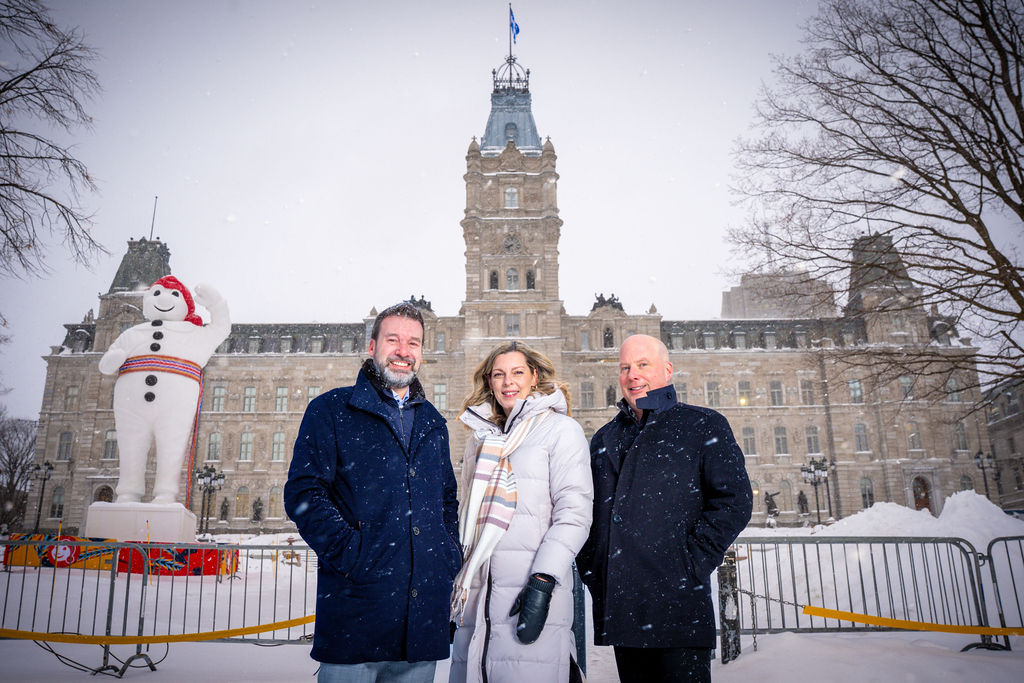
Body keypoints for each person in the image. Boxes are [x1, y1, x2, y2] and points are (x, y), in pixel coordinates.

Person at [284, 302, 461, 683]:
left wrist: (447, 554)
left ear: (422, 353)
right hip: (356, 617)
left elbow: (447, 499)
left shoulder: (434, 422)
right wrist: (352, 554)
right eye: (393, 339)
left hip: (421, 627)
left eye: (413, 342)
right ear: (372, 346)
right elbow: (304, 492)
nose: (403, 350)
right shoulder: (332, 410)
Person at [577, 334, 752, 683]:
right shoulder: (604, 438)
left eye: (643, 365)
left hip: (679, 607)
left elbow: (734, 500)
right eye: (625, 367)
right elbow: (588, 511)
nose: (633, 375)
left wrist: (691, 564)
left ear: (667, 371)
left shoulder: (702, 425)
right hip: (624, 608)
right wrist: (594, 569)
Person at [450, 341, 593, 683]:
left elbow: (574, 513)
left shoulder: (561, 430)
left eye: (517, 372)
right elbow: (466, 514)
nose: (507, 382)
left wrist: (542, 581)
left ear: (534, 377)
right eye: (498, 374)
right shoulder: (481, 439)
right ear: (488, 381)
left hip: (529, 591)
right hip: (479, 598)